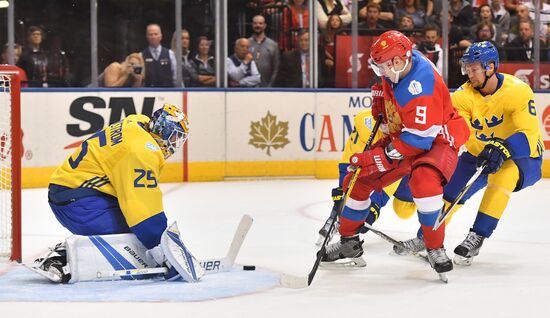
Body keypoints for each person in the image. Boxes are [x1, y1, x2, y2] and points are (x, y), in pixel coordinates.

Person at [321, 30, 469, 276]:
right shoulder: (400, 62)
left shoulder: (422, 87)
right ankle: (349, 243)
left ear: (399, 61)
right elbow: (394, 92)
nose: (382, 74)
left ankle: (434, 247)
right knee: (357, 179)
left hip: (437, 138)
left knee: (424, 182)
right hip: (408, 134)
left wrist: (377, 157)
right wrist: (384, 100)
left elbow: (417, 142)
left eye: (384, 69)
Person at [394, 41, 544, 266]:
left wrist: (503, 148)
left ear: (491, 67)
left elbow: (529, 135)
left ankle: (478, 235)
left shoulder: (518, 91)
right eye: (467, 68)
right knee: (448, 193)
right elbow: (458, 130)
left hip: (522, 157)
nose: (468, 73)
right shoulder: (462, 96)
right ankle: (426, 237)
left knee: (502, 176)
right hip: (478, 155)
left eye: (474, 68)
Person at [31, 104, 203, 283]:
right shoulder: (141, 150)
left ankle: (70, 253)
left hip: (71, 192)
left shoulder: (138, 123)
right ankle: (65, 258)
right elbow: (143, 209)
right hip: (79, 203)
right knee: (136, 239)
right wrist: (165, 253)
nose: (174, 144)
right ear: (162, 129)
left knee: (141, 233)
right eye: (174, 137)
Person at [316, 109, 418, 262]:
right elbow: (349, 164)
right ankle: (348, 241)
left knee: (403, 211)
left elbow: (393, 173)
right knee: (357, 193)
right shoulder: (364, 124)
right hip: (384, 165)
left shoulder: (408, 127)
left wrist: (375, 205)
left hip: (405, 168)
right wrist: (338, 207)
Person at [248, 15, 280, 87]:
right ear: (252, 25)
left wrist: (270, 87)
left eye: (260, 23)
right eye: (255, 23)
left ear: (265, 25)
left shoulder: (273, 45)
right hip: (248, 88)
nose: (257, 25)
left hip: (267, 86)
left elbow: (276, 69)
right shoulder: (246, 43)